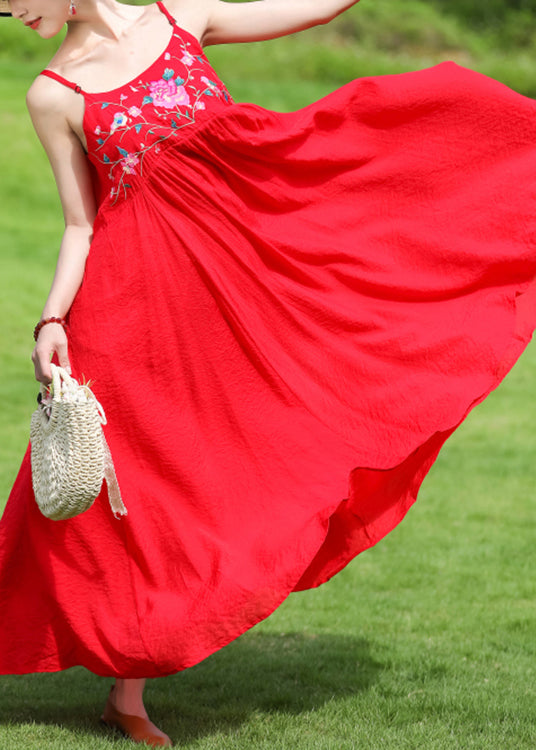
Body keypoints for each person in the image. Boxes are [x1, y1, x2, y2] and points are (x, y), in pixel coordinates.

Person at [0, 0, 535, 746]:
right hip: (135, 298)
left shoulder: (177, 16)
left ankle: (146, 652)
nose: (9, 13)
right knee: (139, 478)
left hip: (243, 267)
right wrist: (53, 318)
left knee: (249, 449)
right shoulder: (52, 93)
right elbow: (80, 222)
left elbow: (305, 11)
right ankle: (128, 689)